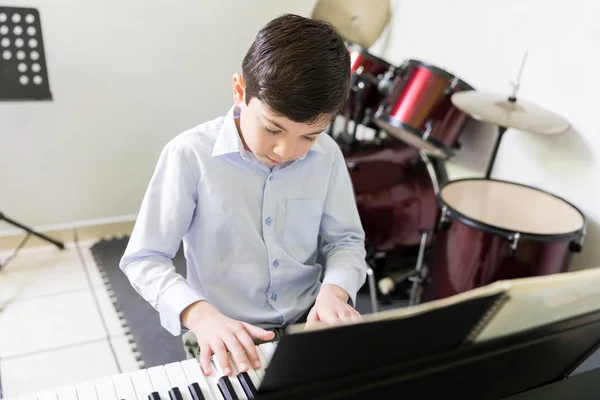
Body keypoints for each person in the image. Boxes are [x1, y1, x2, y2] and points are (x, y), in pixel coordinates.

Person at [119, 13, 368, 378]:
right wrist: (200, 315)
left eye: (308, 136)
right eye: (272, 128)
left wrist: (335, 291)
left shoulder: (327, 155)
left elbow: (345, 240)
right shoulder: (189, 156)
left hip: (308, 321)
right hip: (221, 329)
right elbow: (144, 259)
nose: (286, 150)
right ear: (239, 91)